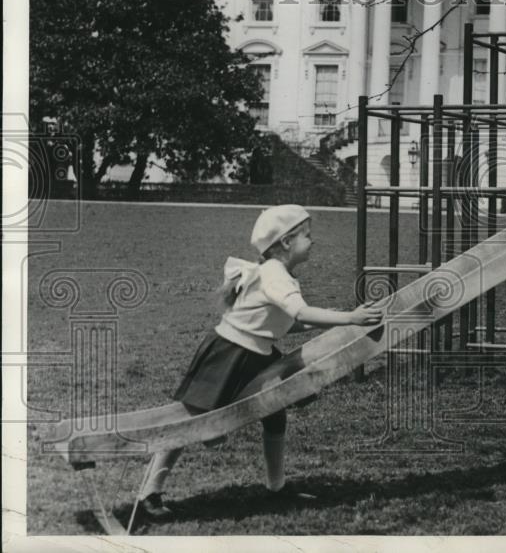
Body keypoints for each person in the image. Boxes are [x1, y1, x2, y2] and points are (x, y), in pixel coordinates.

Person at [136, 204, 382, 521]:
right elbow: (301, 314)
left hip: (254, 353)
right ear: (285, 243)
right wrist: (350, 317)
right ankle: (149, 492)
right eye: (307, 236)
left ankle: (276, 487)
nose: (313, 241)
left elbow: (283, 323)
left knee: (275, 413)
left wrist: (340, 322)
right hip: (230, 355)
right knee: (191, 423)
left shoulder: (275, 273)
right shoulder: (275, 275)